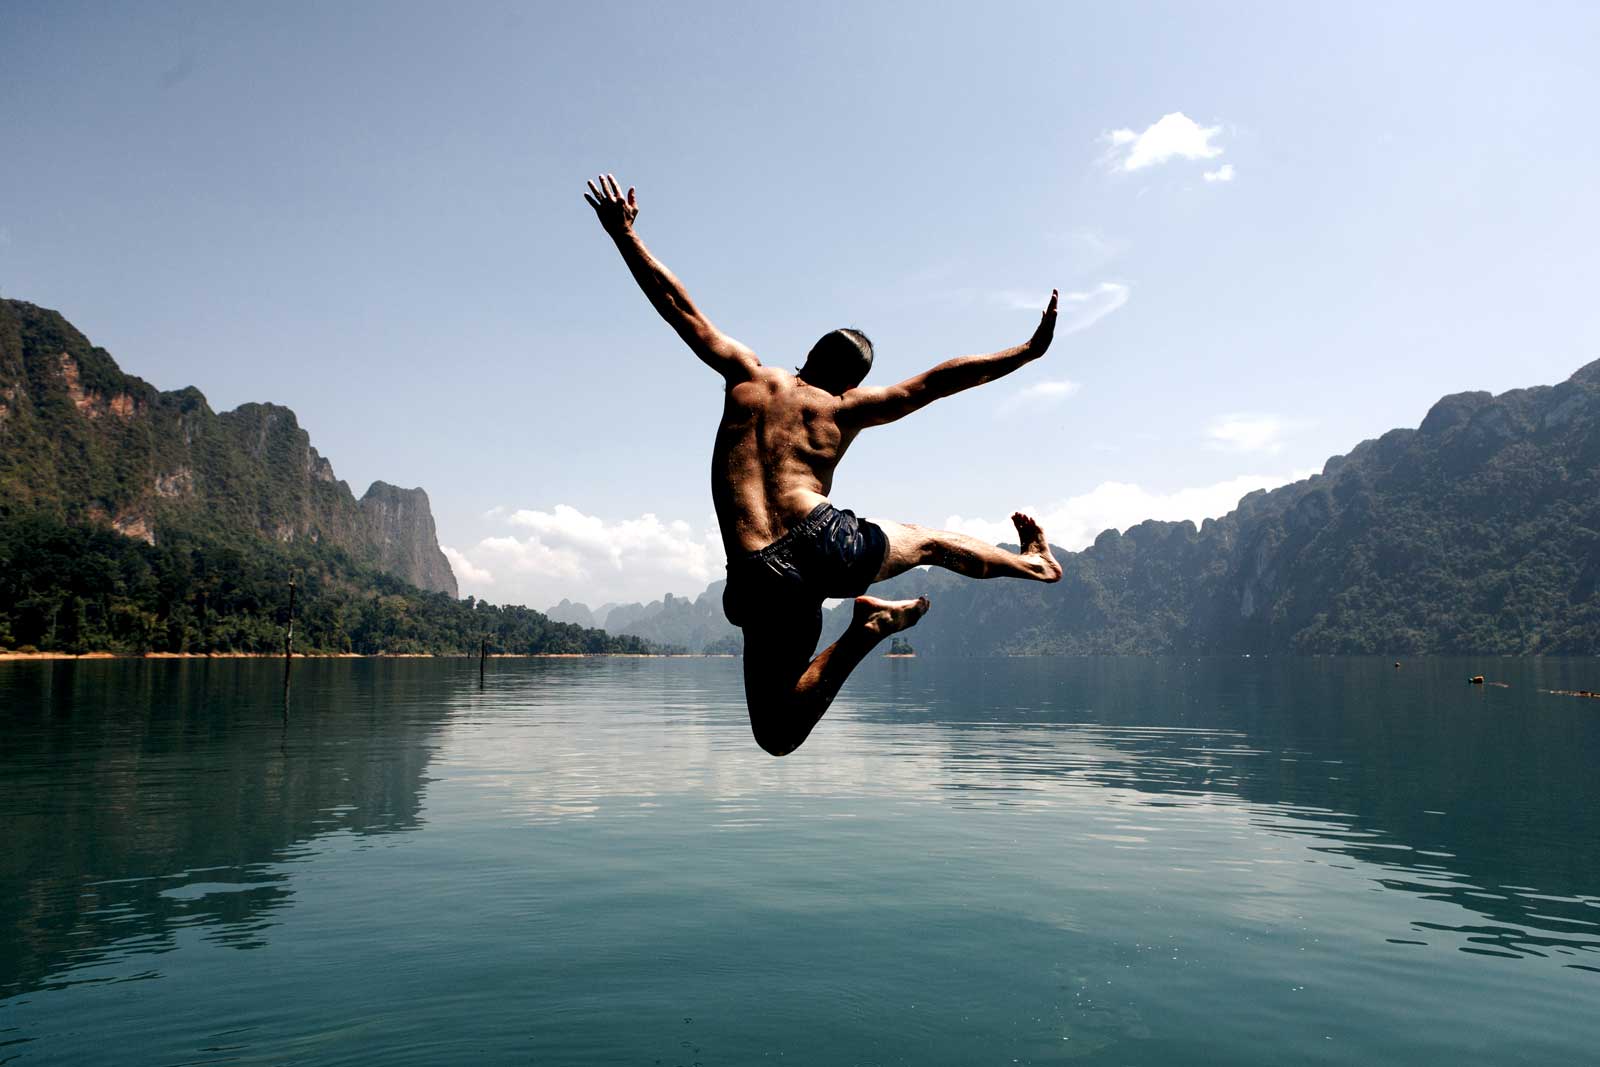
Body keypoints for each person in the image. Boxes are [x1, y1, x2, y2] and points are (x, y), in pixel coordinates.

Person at [585, 174, 1063, 756]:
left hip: (758, 573)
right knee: (931, 543)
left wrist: (624, 235)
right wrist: (1026, 352)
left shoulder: (747, 375)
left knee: (777, 734)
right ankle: (1032, 565)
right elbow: (936, 382)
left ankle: (865, 632)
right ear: (854, 380)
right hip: (825, 541)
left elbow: (679, 308)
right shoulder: (845, 408)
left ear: (808, 353)